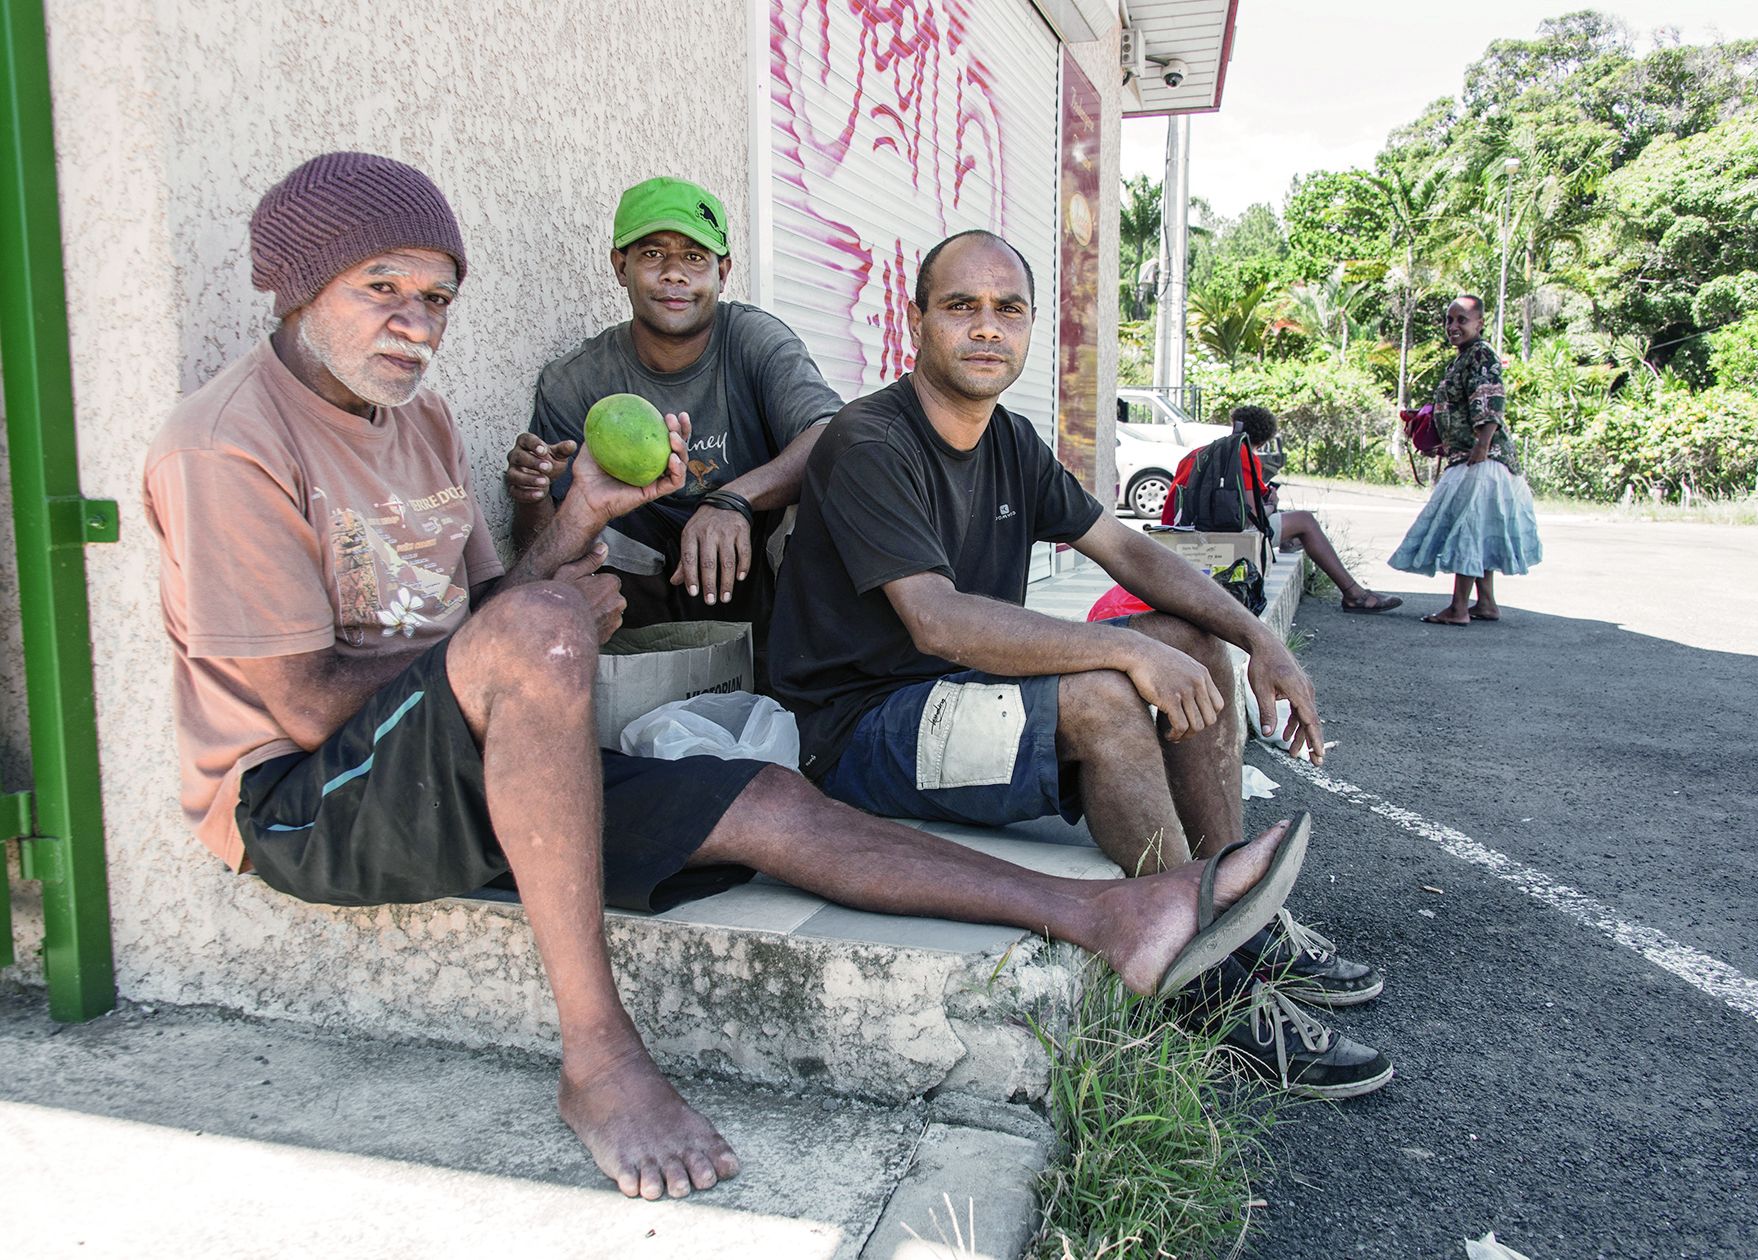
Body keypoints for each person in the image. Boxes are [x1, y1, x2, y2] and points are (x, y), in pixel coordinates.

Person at [143, 152, 1323, 1202]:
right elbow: (301, 705)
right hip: (303, 801)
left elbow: (490, 614)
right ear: (297, 286)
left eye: (436, 297)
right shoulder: (228, 442)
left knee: (756, 796)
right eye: (380, 288)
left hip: (442, 746)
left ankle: (1108, 911)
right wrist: (539, 625)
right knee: (553, 633)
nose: (417, 323)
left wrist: (580, 527)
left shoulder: (427, 422)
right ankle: (599, 1058)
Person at [768, 229, 1394, 1098]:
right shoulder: (868, 440)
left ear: (1027, 328)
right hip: (858, 734)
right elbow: (938, 621)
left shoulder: (1010, 441)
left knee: (1189, 642)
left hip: (957, 698)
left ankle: (1233, 907)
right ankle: (1197, 976)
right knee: (1107, 693)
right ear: (914, 321)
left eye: (1007, 310)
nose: (986, 328)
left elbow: (1128, 552)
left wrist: (1259, 637)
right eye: (960, 307)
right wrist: (1123, 649)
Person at [505, 177, 841, 679]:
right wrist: (532, 497)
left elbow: (833, 435)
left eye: (694, 258)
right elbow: (542, 554)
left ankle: (806, 683)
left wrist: (733, 499)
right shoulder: (576, 382)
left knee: (825, 499)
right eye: (653, 254)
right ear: (621, 267)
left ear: (723, 271)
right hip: (644, 600)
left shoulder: (753, 339)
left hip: (758, 583)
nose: (674, 275)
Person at [1389, 295, 1543, 624]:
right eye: (1449, 320)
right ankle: (1485, 602)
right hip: (1472, 455)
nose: (1453, 326)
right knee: (1479, 528)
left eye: (1462, 320)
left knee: (1468, 530)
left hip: (1483, 460)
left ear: (1479, 323)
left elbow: (1489, 401)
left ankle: (1459, 608)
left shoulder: (1481, 355)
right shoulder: (1463, 358)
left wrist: (1482, 445)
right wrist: (1444, 444)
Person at [1161, 404, 1402, 614]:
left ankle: (1295, 545)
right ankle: (1354, 594)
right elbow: (1250, 518)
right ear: (1265, 440)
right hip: (1218, 533)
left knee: (1293, 528)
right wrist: (1272, 504)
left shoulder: (1202, 451)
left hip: (1177, 527)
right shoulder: (1242, 454)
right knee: (1305, 522)